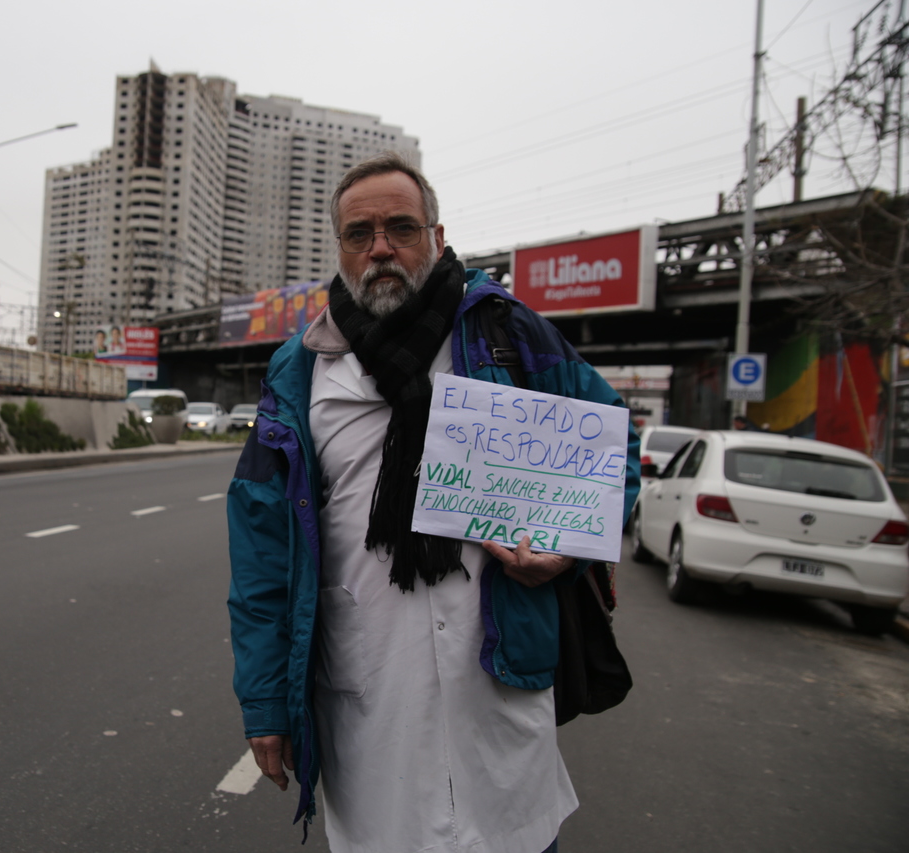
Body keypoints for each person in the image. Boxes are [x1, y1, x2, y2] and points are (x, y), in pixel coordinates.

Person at [226, 152, 640, 852]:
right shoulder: (300, 371)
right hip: (370, 699)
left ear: (438, 238)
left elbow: (611, 450)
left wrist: (566, 550)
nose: (380, 247)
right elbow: (262, 549)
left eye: (401, 227)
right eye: (360, 233)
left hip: (498, 686)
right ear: (341, 248)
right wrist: (265, 704)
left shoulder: (507, 336)